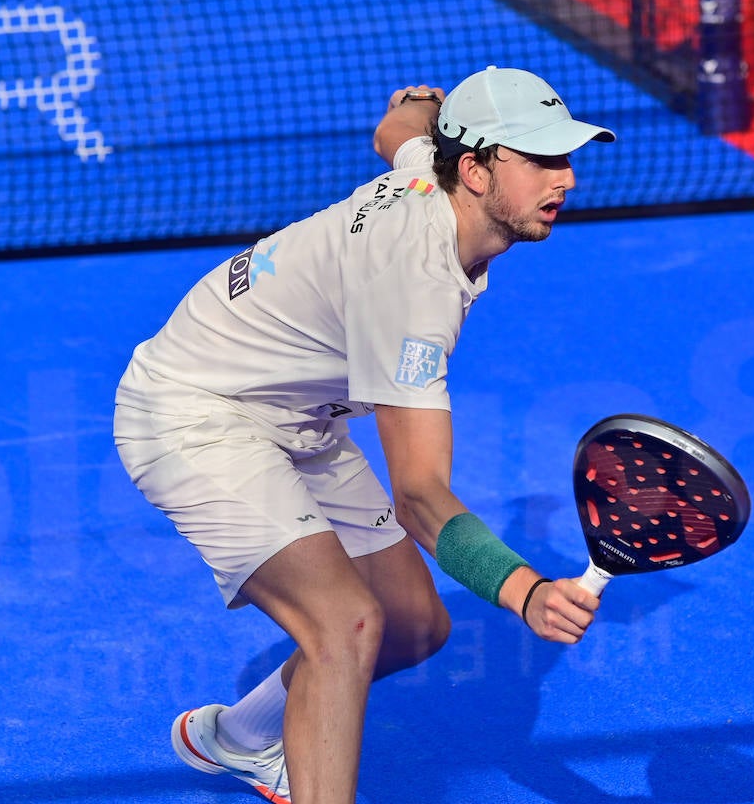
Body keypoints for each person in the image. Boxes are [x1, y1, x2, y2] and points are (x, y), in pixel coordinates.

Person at [113, 66, 613, 804]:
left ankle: (237, 738)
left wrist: (417, 108)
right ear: (474, 170)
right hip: (195, 409)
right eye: (540, 159)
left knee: (412, 626)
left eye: (566, 157)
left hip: (299, 416)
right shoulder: (417, 285)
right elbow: (418, 497)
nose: (565, 178)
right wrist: (525, 589)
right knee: (344, 623)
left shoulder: (431, 175)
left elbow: (400, 136)